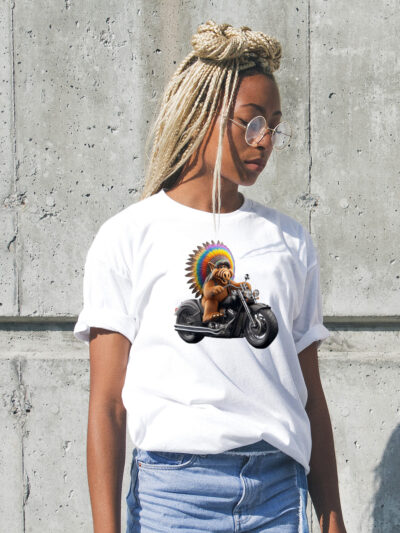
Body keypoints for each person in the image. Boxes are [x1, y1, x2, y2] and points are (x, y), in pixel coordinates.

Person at [74, 20, 347, 533]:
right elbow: (108, 404)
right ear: (203, 114)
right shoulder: (128, 236)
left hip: (277, 492)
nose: (265, 140)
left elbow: (310, 395)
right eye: (252, 121)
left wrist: (331, 517)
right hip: (173, 497)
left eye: (274, 126)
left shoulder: (290, 241)